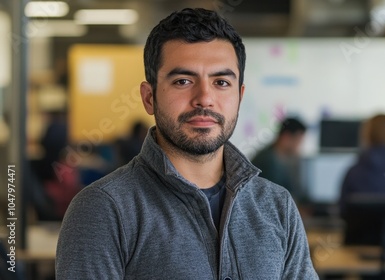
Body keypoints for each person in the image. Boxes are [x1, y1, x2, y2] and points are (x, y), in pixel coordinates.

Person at [56, 8, 318, 279]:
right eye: (183, 81)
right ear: (149, 98)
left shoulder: (277, 206)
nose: (205, 98)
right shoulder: (103, 209)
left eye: (221, 82)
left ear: (240, 96)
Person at [251, 117, 307, 194]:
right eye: (298, 141)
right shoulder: (268, 160)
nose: (299, 146)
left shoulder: (286, 159)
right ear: (286, 137)